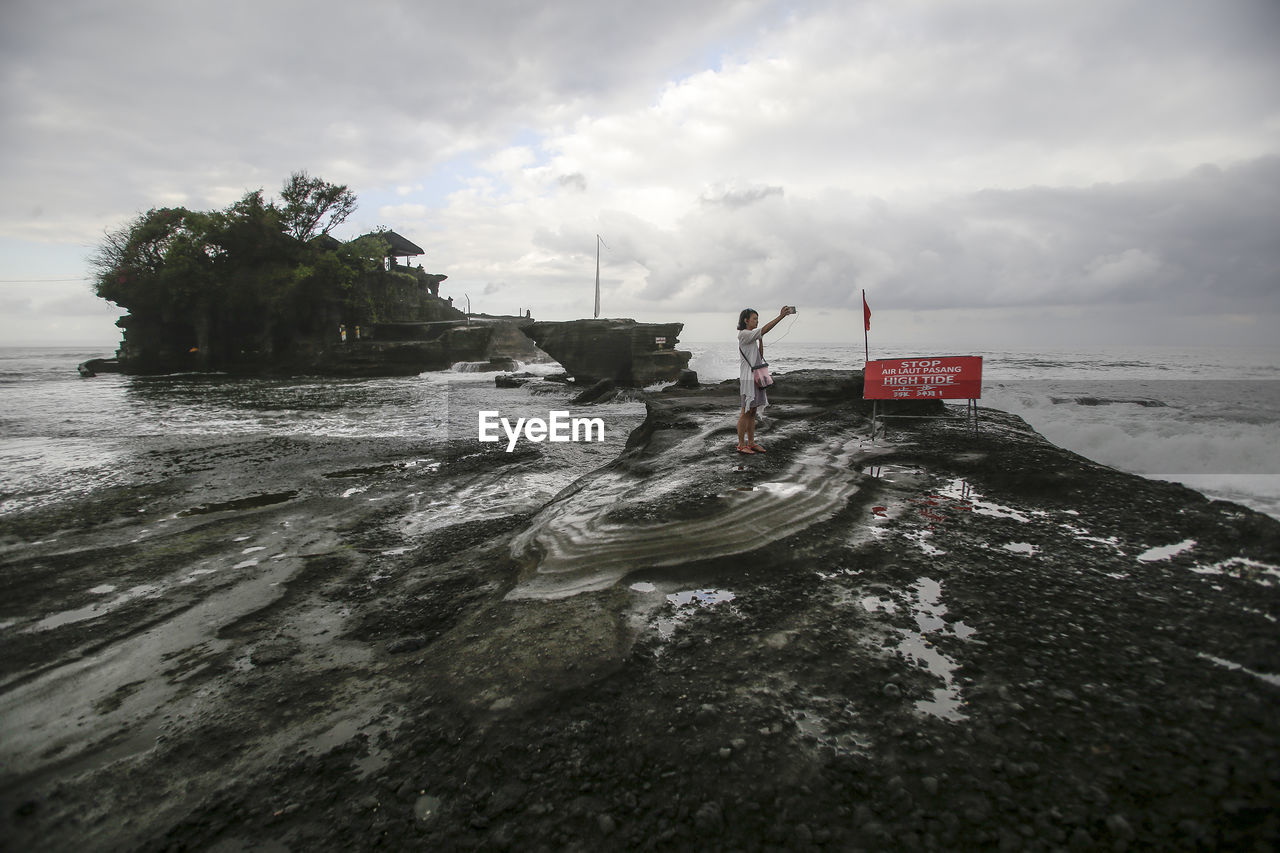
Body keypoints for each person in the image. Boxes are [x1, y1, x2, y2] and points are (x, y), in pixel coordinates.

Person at [737, 306, 791, 454]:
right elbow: (765, 329)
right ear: (745, 320)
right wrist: (781, 317)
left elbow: (759, 355)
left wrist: (760, 341)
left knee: (752, 411)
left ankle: (752, 442)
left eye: (757, 319)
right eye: (754, 319)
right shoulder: (743, 334)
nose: (757, 321)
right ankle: (741, 445)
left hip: (756, 376)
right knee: (746, 411)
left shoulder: (751, 337)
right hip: (748, 378)